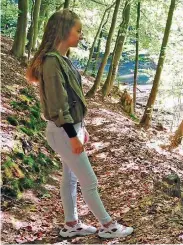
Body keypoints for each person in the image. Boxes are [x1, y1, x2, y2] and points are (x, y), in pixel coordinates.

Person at [26, 9, 133, 239]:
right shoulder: (52, 62)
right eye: (78, 30)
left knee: (71, 178)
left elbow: (71, 101)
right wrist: (73, 135)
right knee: (90, 181)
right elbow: (57, 106)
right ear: (65, 31)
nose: (81, 35)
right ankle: (108, 226)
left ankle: (71, 224)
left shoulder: (62, 59)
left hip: (69, 129)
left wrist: (81, 129)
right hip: (63, 131)